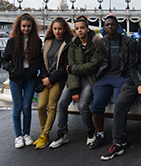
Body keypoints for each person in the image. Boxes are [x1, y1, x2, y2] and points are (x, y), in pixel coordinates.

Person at [101, 17, 141, 161]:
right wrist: (139, 85)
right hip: (135, 78)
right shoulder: (135, 44)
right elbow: (132, 66)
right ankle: (118, 142)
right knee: (120, 104)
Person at [50, 18, 100, 149]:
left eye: (82, 28)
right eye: (77, 28)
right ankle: (62, 134)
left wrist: (74, 68)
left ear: (88, 29)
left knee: (83, 105)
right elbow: (70, 68)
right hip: (74, 79)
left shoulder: (95, 44)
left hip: (89, 78)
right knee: (61, 104)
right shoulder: (73, 45)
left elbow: (93, 66)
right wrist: (75, 90)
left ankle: (90, 132)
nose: (79, 31)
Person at [89, 15, 137, 150]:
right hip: (105, 76)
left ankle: (120, 136)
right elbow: (100, 61)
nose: (109, 27)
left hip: (121, 76)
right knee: (96, 106)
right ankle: (100, 135)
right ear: (104, 27)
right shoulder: (102, 42)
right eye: (107, 25)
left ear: (117, 26)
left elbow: (132, 62)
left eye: (112, 25)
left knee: (119, 106)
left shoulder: (128, 42)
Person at [1, 13, 47, 148]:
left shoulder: (37, 42)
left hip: (30, 77)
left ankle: (26, 134)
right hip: (16, 77)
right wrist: (11, 69)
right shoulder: (12, 41)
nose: (26, 29)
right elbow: (3, 60)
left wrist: (41, 75)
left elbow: (39, 61)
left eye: (28, 26)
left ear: (32, 27)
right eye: (23, 26)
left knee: (27, 107)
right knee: (17, 107)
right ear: (19, 27)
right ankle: (18, 136)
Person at [35, 17, 75, 149]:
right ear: (51, 29)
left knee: (52, 106)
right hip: (45, 78)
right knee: (41, 106)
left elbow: (66, 66)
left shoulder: (68, 43)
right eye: (55, 29)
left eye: (60, 29)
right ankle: (43, 133)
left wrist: (51, 79)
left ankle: (45, 135)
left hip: (58, 79)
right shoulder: (47, 41)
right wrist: (45, 77)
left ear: (64, 29)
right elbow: (42, 61)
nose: (57, 31)